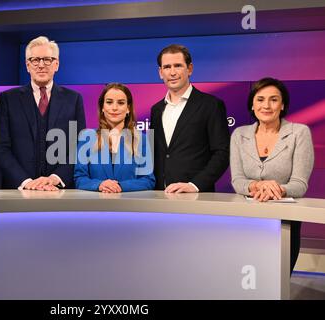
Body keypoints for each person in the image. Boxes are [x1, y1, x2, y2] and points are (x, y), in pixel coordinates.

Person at [230, 77, 314, 274]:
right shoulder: (239, 135)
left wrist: (276, 188)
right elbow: (237, 180)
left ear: (282, 104)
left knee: (278, 280)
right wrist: (256, 186)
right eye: (260, 99)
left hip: (284, 221)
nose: (266, 105)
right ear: (252, 104)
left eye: (274, 99)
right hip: (247, 220)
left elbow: (299, 184)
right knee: (249, 279)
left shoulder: (299, 133)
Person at [0, 36, 86, 190]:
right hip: (17, 193)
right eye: (35, 60)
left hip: (61, 192)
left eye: (47, 59)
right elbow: (1, 147)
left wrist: (55, 178)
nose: (41, 65)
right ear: (27, 65)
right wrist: (26, 182)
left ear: (56, 64)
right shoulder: (8, 99)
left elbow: (79, 146)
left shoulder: (73, 99)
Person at [150, 44, 230, 193]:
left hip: (197, 197)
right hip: (159, 196)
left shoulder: (211, 105)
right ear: (160, 72)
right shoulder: (156, 109)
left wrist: (195, 185)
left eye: (178, 66)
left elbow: (222, 152)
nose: (172, 72)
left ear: (190, 69)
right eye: (167, 67)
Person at [74, 83, 155, 192]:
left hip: (129, 205)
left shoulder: (141, 140)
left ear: (128, 109)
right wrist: (100, 185)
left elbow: (148, 180)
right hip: (94, 206)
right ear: (102, 107)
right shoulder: (87, 138)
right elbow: (80, 178)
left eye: (121, 103)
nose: (114, 108)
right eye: (109, 102)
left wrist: (120, 186)